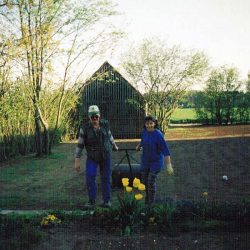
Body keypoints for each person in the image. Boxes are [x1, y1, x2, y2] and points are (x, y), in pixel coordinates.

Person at [74, 105, 118, 208]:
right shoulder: (84, 128)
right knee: (90, 176)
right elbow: (80, 144)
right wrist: (77, 159)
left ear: (99, 116)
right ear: (89, 117)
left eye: (96, 117)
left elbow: (110, 135)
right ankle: (91, 200)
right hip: (92, 157)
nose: (94, 119)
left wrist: (114, 145)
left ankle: (107, 201)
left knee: (106, 178)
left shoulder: (105, 124)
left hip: (105, 156)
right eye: (92, 117)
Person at [136, 115, 173, 205]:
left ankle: (151, 204)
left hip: (156, 162)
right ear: (145, 124)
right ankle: (148, 199)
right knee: (144, 182)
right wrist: (139, 146)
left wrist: (169, 165)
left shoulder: (158, 135)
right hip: (145, 161)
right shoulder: (144, 132)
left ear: (154, 124)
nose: (149, 125)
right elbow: (143, 141)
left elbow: (166, 151)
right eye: (147, 124)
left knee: (150, 181)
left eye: (151, 123)